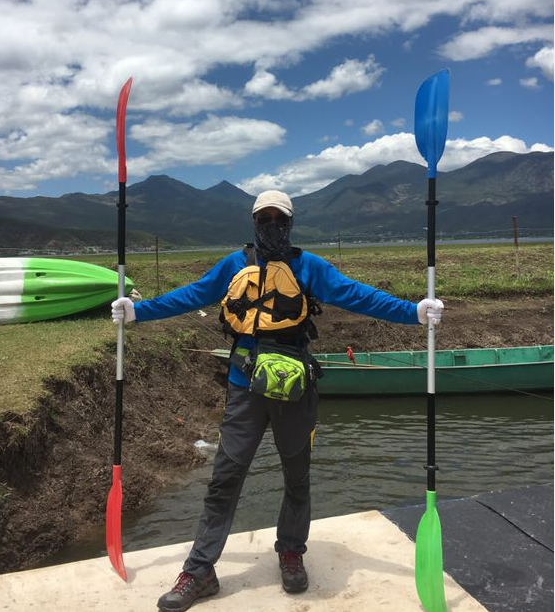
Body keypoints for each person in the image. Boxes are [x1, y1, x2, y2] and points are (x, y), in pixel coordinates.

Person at [111, 189, 444, 612]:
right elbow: (193, 294)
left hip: (295, 389)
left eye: (280, 220)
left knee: (296, 477)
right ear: (254, 223)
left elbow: (358, 294)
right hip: (244, 387)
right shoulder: (234, 265)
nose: (272, 226)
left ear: (290, 223)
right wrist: (139, 311)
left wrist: (413, 311)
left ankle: (291, 551)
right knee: (225, 478)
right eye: (265, 219)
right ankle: (200, 570)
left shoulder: (309, 267)